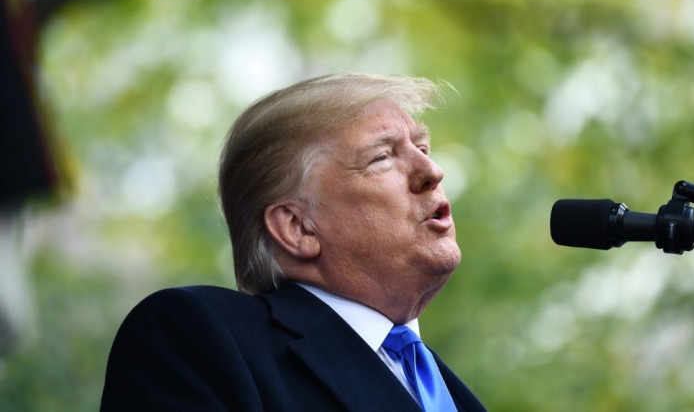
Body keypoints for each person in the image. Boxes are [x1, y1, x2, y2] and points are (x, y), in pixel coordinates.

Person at [101, 73, 486, 411]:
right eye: (381, 157)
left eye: (422, 148)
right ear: (297, 227)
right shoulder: (195, 340)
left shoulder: (445, 385)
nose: (432, 172)